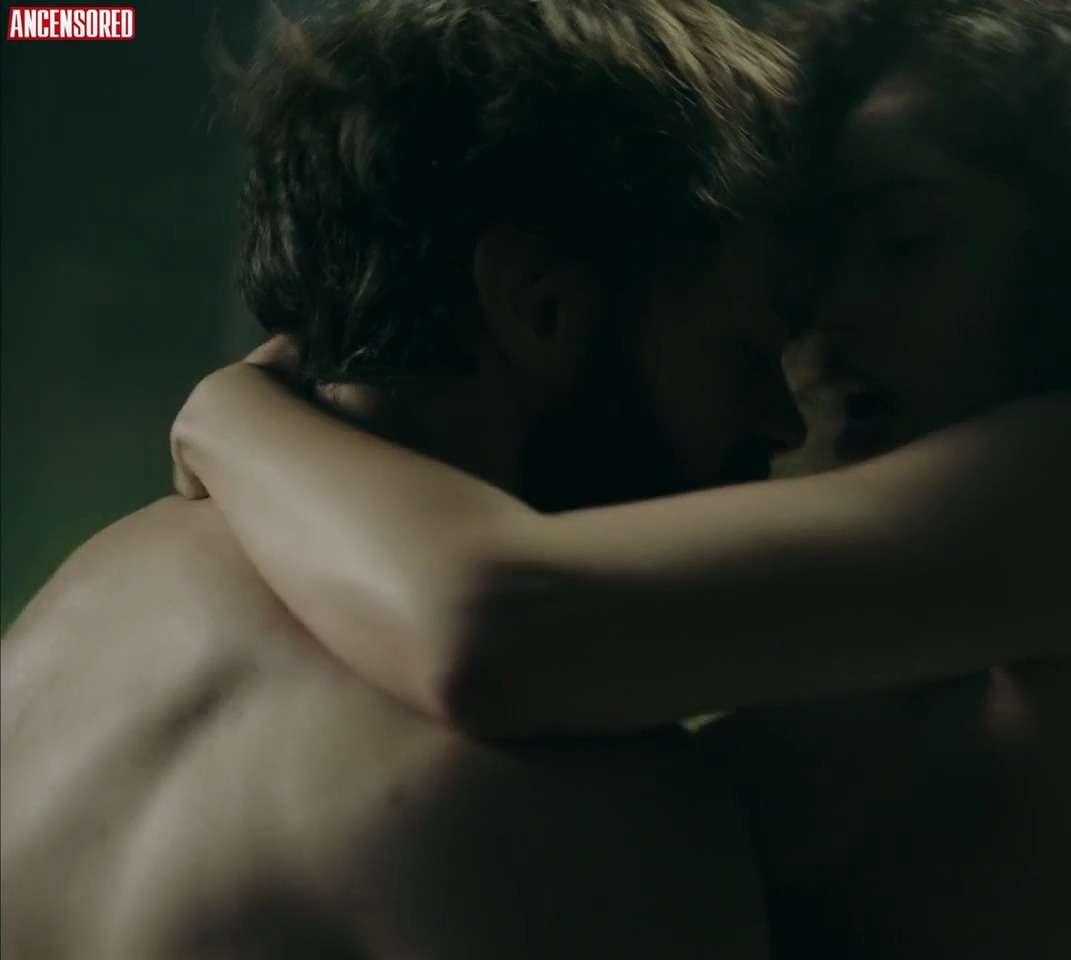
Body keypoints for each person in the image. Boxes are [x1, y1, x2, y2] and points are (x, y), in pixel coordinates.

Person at [169, 0, 1071, 956]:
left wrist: (236, 413)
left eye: (908, 243)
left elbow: (493, 629)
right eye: (827, 261)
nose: (836, 315)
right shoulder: (928, 544)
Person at [0, 2, 798, 957]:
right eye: (748, 355)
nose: (783, 422)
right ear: (539, 303)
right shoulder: (583, 811)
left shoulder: (75, 614)